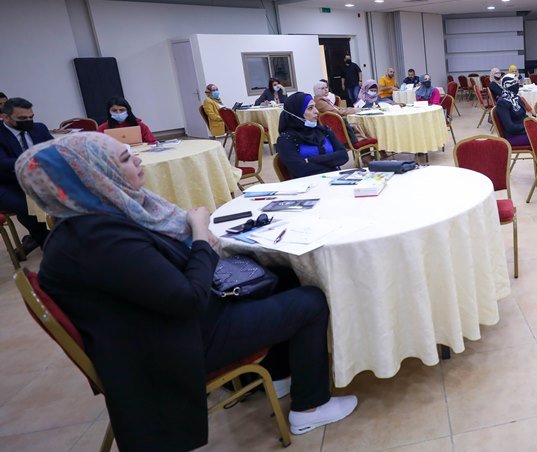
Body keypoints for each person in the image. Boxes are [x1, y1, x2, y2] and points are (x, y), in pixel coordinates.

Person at [18, 133, 357, 450]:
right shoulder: (98, 241)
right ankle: (310, 408)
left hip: (158, 327)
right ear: (93, 177)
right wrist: (200, 237)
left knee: (281, 275)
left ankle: (281, 375)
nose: (138, 161)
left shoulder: (95, 217)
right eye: (124, 158)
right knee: (310, 301)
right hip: (177, 345)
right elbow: (189, 300)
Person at [0, 97, 52, 254]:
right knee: (28, 207)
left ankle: (64, 235)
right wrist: (31, 161)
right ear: (5, 117)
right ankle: (47, 243)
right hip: (9, 183)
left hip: (40, 178)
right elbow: (2, 163)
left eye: (31, 117)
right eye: (22, 118)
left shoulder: (39, 128)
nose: (28, 121)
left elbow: (53, 149)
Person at [277, 93, 349, 178]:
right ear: (296, 113)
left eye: (315, 106)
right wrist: (332, 165)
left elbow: (343, 156)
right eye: (310, 108)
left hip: (334, 180)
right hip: (307, 186)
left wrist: (311, 159)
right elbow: (300, 170)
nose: (317, 111)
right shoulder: (286, 139)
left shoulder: (324, 130)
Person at [494, 74, 530, 147]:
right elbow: (510, 127)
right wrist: (527, 127)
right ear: (507, 85)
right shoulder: (502, 103)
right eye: (514, 82)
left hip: (524, 131)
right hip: (513, 136)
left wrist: (533, 123)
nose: (517, 85)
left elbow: (524, 116)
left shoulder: (517, 98)